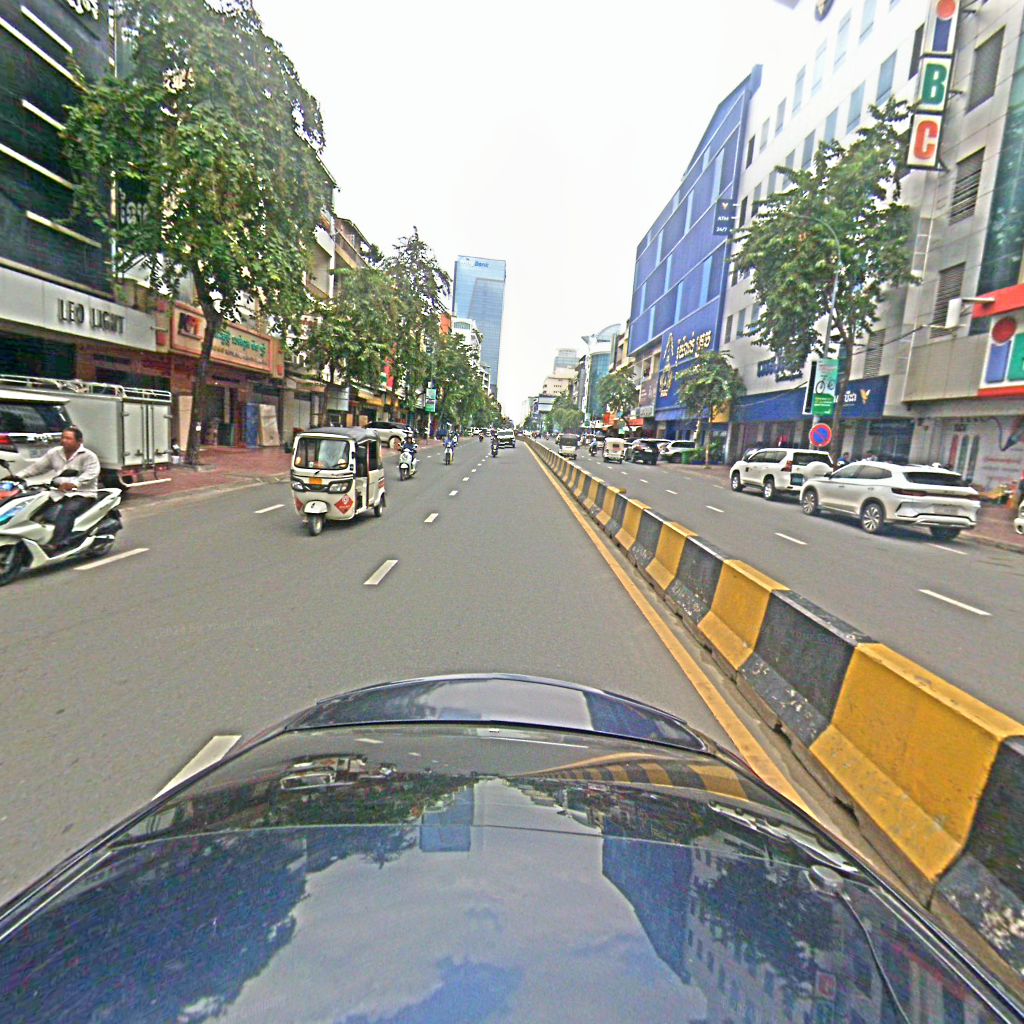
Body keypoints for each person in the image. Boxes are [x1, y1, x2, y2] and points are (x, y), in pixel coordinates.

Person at [18, 426, 101, 554]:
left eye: (68, 438)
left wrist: (74, 483)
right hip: (58, 492)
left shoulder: (89, 456)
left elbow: (91, 474)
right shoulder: (54, 453)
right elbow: (37, 468)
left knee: (67, 511)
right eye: (63, 437)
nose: (64, 440)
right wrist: (18, 477)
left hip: (82, 494)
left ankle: (58, 543)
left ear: (79, 441)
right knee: (34, 508)